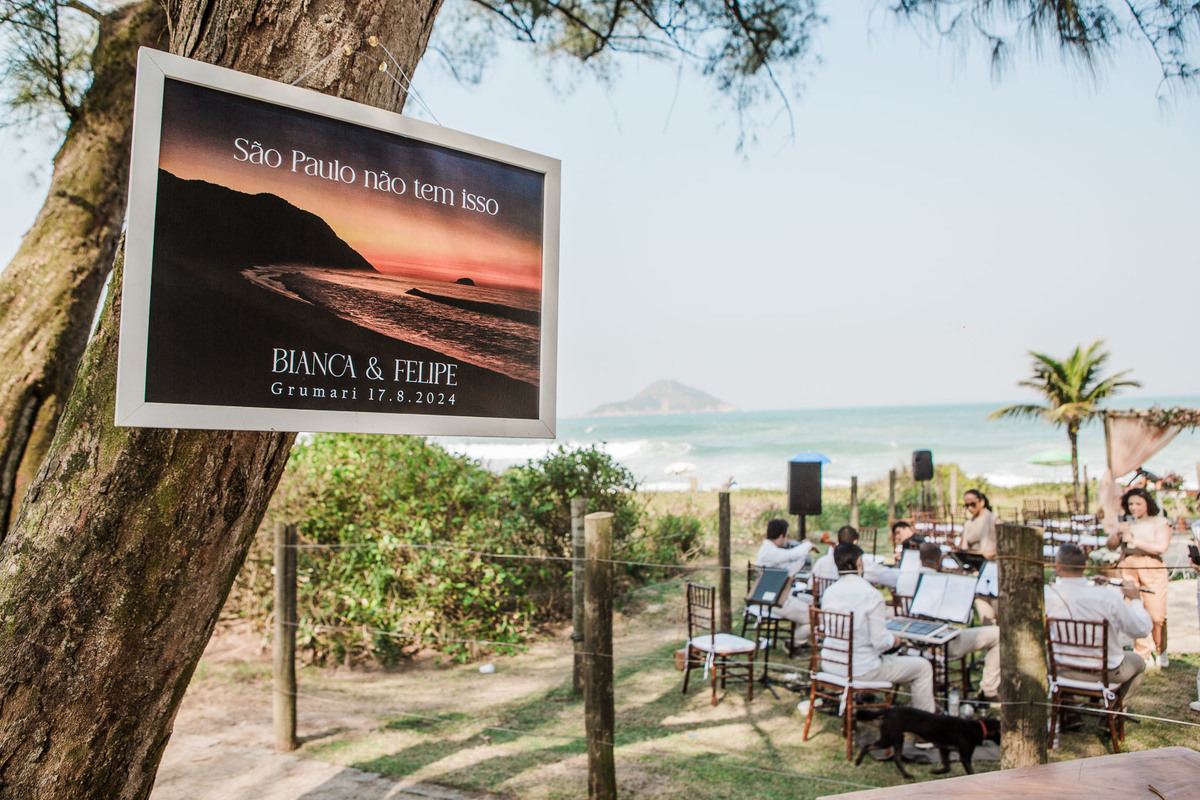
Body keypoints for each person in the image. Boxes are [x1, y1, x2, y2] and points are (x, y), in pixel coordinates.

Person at [819, 543, 935, 712]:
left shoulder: (829, 592)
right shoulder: (871, 594)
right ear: (859, 562)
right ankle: (925, 722)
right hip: (861, 669)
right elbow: (880, 642)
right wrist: (894, 640)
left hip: (830, 663)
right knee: (923, 667)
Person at [1044, 544, 1152, 703]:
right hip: (1106, 672)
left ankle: (1070, 711)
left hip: (1062, 668)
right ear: (1086, 566)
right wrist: (1135, 599)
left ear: (1058, 567)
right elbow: (1141, 630)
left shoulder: (1047, 594)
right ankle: (1114, 712)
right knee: (1139, 663)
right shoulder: (1107, 597)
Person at [914, 542, 1001, 701]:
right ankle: (989, 689)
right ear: (940, 559)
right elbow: (966, 619)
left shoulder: (905, 577)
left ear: (919, 558)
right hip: (943, 643)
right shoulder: (940, 581)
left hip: (914, 643)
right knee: (999, 634)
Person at [1105, 487, 1171, 668]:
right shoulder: (1125, 522)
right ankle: (1142, 653)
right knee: (1134, 610)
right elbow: (1110, 545)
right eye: (1130, 504)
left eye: (1138, 504)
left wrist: (1134, 540)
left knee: (1157, 615)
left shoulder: (1159, 521)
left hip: (1151, 566)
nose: (1133, 507)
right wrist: (1117, 532)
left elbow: (1161, 547)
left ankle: (1161, 648)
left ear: (1147, 504)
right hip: (1128, 565)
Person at [755, 518, 814, 645]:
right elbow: (791, 556)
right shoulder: (769, 551)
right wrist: (807, 545)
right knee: (815, 618)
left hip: (779, 596)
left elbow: (790, 570)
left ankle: (797, 640)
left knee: (809, 605)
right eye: (787, 536)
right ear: (781, 536)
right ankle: (795, 642)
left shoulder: (771, 550)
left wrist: (802, 552)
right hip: (773, 600)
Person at [813, 525, 897, 588]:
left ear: (837, 540)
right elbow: (890, 578)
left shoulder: (821, 561)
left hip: (825, 605)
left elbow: (811, 584)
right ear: (855, 542)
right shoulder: (861, 562)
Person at [962, 489, 998, 625]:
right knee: (985, 616)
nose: (970, 508)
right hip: (976, 570)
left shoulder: (993, 520)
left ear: (981, 502)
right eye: (967, 505)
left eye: (973, 504)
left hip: (993, 569)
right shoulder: (968, 523)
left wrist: (991, 553)